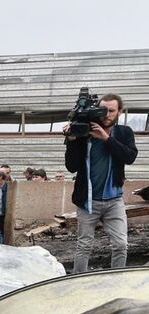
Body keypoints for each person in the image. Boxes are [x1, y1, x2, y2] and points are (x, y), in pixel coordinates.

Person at [65, 92, 138, 273]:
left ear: (120, 112)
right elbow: (71, 167)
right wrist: (72, 139)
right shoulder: (85, 133)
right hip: (88, 201)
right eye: (103, 110)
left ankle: (116, 282)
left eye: (111, 111)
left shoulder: (124, 132)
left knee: (121, 245)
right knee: (84, 246)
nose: (106, 115)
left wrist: (106, 138)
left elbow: (130, 157)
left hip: (114, 201)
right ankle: (78, 283)